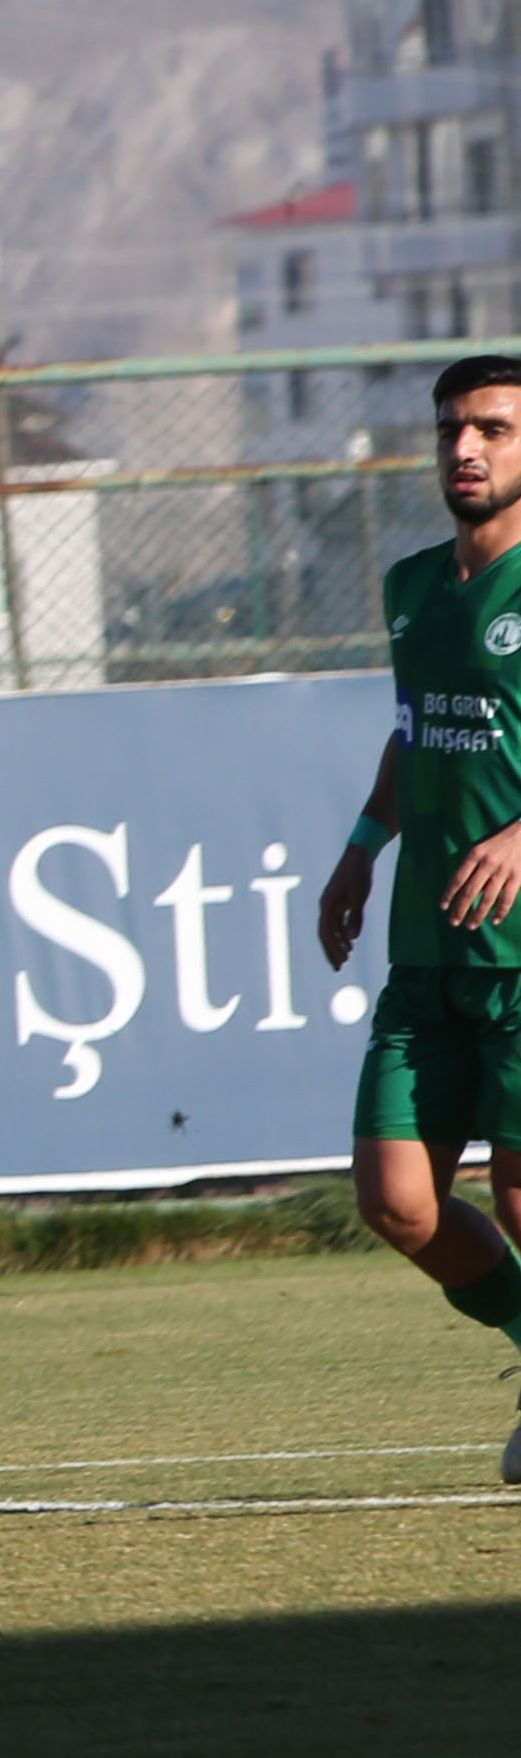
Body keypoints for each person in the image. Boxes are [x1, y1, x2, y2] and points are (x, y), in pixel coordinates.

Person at [313, 349, 521, 1480]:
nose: (466, 448)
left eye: (492, 427)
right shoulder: (410, 587)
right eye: (451, 428)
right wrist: (359, 849)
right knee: (397, 1202)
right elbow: (419, 732)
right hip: (427, 951)